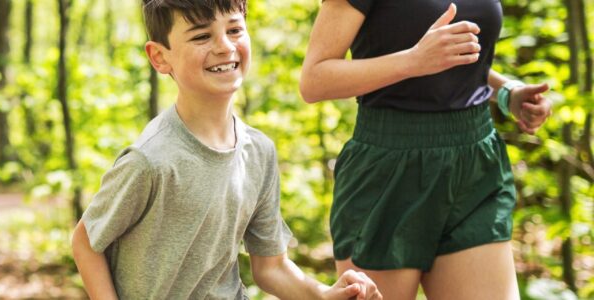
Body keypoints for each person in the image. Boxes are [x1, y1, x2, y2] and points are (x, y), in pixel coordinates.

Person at [69, 1, 382, 299]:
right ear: (160, 57)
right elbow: (85, 241)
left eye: (234, 30)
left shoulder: (259, 152)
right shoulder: (150, 160)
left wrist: (324, 294)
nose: (224, 46)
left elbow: (271, 268)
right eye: (201, 36)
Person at [301, 1, 554, 299]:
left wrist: (505, 91)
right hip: (388, 170)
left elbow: (453, 54)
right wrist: (412, 61)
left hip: (475, 164)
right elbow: (314, 80)